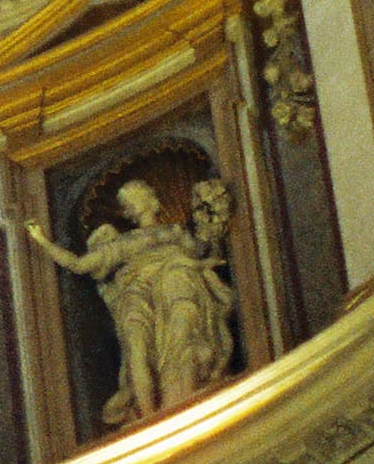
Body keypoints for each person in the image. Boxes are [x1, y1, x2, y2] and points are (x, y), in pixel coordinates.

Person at [27, 176, 238, 425]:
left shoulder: (176, 232)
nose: (132, 202)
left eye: (137, 194)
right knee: (137, 347)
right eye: (127, 200)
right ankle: (149, 417)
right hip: (136, 294)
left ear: (152, 199)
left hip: (178, 282)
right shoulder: (123, 243)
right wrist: (42, 240)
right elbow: (79, 264)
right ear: (126, 212)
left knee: (183, 325)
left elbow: (207, 250)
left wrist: (211, 212)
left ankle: (181, 394)